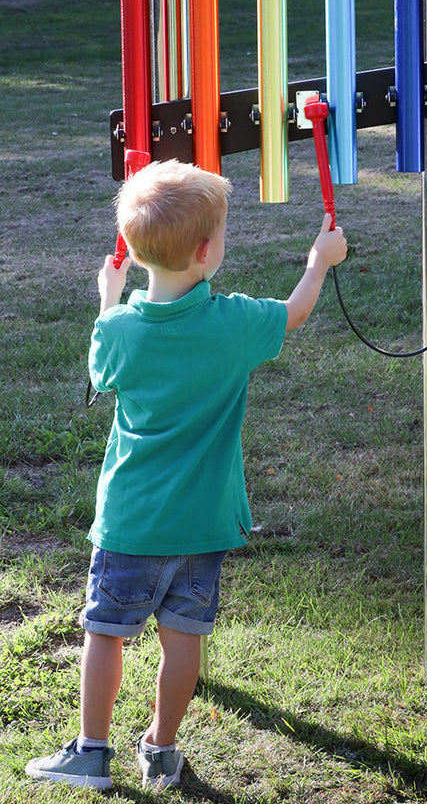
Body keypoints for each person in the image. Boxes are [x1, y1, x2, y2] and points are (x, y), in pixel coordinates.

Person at [25, 159, 347, 791]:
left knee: (105, 633)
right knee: (183, 643)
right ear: (206, 253)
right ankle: (162, 751)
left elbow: (99, 374)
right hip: (204, 523)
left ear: (139, 253)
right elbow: (294, 314)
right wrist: (320, 260)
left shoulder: (119, 330)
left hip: (130, 522)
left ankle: (91, 752)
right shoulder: (233, 325)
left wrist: (108, 296)